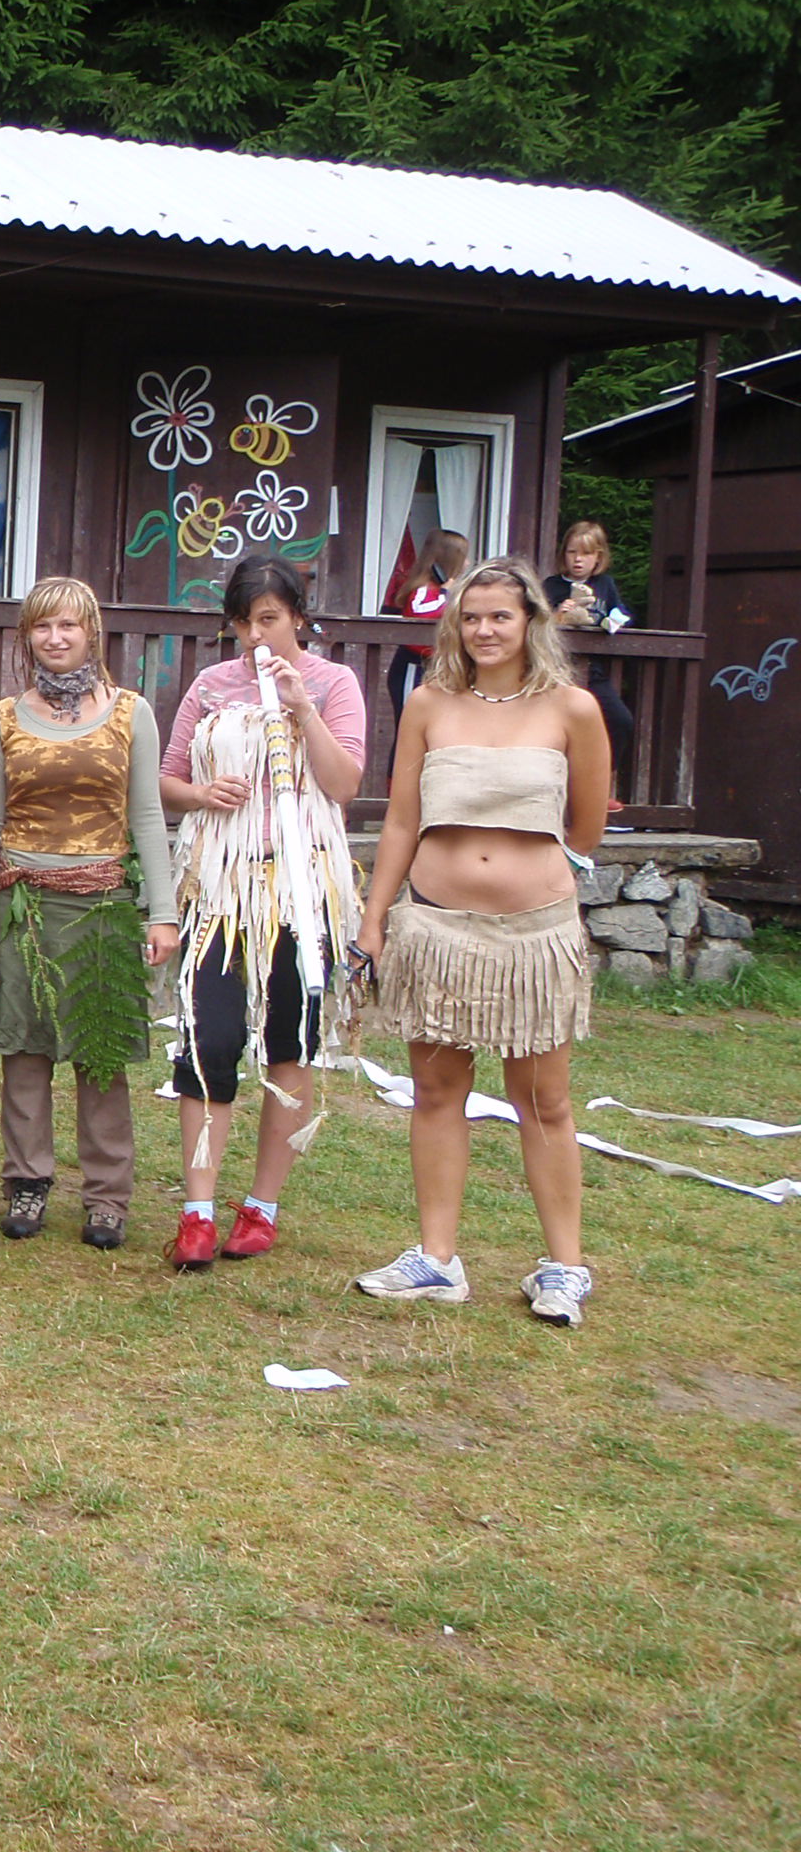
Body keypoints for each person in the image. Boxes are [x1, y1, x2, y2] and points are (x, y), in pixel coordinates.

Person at [353, 557, 609, 1327]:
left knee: (544, 1099)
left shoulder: (573, 708)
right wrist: (375, 918)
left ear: (531, 620)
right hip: (436, 926)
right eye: (471, 617)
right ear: (453, 626)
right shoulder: (429, 704)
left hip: (535, 934)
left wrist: (531, 878)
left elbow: (587, 827)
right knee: (437, 1092)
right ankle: (436, 1259)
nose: (485, 630)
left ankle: (564, 1267)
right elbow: (401, 820)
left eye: (500, 615)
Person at [159, 557, 367, 1271]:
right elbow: (167, 779)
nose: (256, 636)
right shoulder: (210, 686)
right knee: (208, 1036)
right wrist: (200, 795)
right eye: (244, 622)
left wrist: (302, 708)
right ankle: (197, 1210)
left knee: (290, 1042)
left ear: (299, 617)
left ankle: (262, 1206)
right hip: (222, 890)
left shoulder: (334, 684)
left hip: (301, 889)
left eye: (270, 619)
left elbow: (344, 782)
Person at [0, 576, 177, 1249]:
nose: (56, 638)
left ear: (92, 632)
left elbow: (146, 814)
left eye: (69, 625)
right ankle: (26, 1181)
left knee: (101, 1049)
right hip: (23, 904)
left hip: (104, 907)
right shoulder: (2, 718)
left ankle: (107, 1195)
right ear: (26, 636)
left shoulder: (130, 713)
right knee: (25, 1049)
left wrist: (161, 911)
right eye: (42, 626)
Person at [549, 520, 634, 809]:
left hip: (593, 673)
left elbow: (622, 613)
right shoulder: (551, 586)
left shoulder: (605, 585)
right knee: (560, 730)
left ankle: (599, 787)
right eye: (572, 552)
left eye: (585, 554)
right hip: (556, 672)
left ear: (598, 557)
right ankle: (559, 791)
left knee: (620, 721)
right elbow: (534, 622)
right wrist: (558, 615)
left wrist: (613, 622)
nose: (578, 559)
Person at [380, 528, 466, 731]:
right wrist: (445, 594)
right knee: (408, 729)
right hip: (413, 665)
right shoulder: (424, 589)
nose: (467, 563)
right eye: (463, 558)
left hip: (437, 666)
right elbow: (419, 612)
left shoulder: (452, 592)